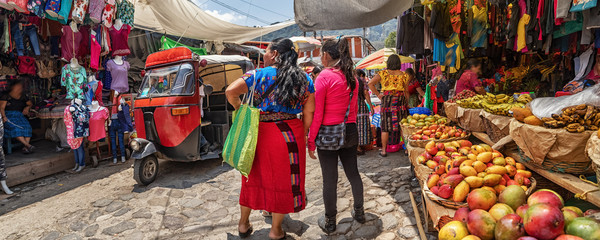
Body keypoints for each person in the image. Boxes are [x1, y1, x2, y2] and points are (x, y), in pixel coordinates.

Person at [226, 38, 315, 240]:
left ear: (274, 54)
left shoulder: (257, 75)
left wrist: (240, 109)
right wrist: (302, 131)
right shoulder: (304, 79)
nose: (263, 55)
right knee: (283, 182)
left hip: (259, 133)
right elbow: (309, 112)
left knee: (251, 178)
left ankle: (243, 224)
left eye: (266, 51)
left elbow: (230, 91)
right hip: (290, 135)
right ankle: (276, 230)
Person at [308, 37, 365, 234]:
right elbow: (354, 110)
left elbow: (318, 113)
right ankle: (359, 212)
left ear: (325, 55)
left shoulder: (324, 77)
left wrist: (310, 140)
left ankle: (330, 222)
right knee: (353, 174)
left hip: (328, 133)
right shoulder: (353, 78)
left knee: (329, 179)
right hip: (349, 131)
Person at [368, 54, 410, 157]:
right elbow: (406, 91)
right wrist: (407, 103)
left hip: (387, 101)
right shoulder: (405, 75)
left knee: (385, 126)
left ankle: (383, 150)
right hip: (400, 101)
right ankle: (406, 150)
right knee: (402, 126)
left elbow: (370, 84)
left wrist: (378, 95)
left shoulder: (382, 73)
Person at [0, 80, 34, 154]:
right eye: (17, 87)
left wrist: (27, 108)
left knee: (27, 127)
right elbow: (1, 108)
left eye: (20, 87)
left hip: (19, 116)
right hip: (8, 116)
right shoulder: (6, 96)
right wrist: (3, 117)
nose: (19, 89)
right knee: (15, 128)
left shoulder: (22, 96)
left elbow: (30, 104)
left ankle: (26, 147)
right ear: (12, 87)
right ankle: (27, 145)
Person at [356, 69, 373, 155]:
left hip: (350, 105)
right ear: (362, 75)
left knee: (353, 125)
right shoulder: (361, 80)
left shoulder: (348, 79)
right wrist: (371, 106)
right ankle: (359, 146)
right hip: (360, 104)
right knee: (361, 125)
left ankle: (356, 146)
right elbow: (366, 93)